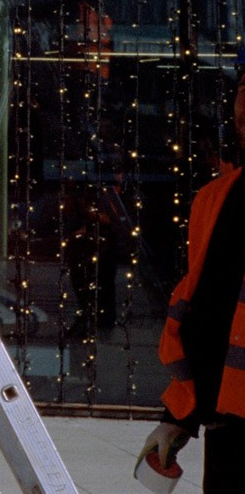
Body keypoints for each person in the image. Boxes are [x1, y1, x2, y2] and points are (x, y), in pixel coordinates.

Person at [138, 75, 245, 487]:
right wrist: (178, 415)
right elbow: (207, 316)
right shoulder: (214, 199)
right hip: (227, 431)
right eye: (242, 90)